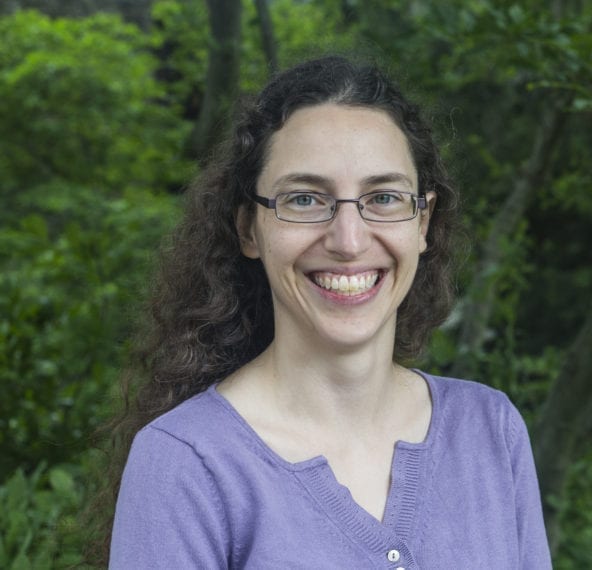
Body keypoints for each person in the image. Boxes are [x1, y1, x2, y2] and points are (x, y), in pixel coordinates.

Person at [105, 55, 551, 568]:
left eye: (383, 196)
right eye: (304, 200)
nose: (348, 240)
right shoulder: (186, 461)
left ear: (422, 222)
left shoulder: (491, 432)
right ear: (249, 228)